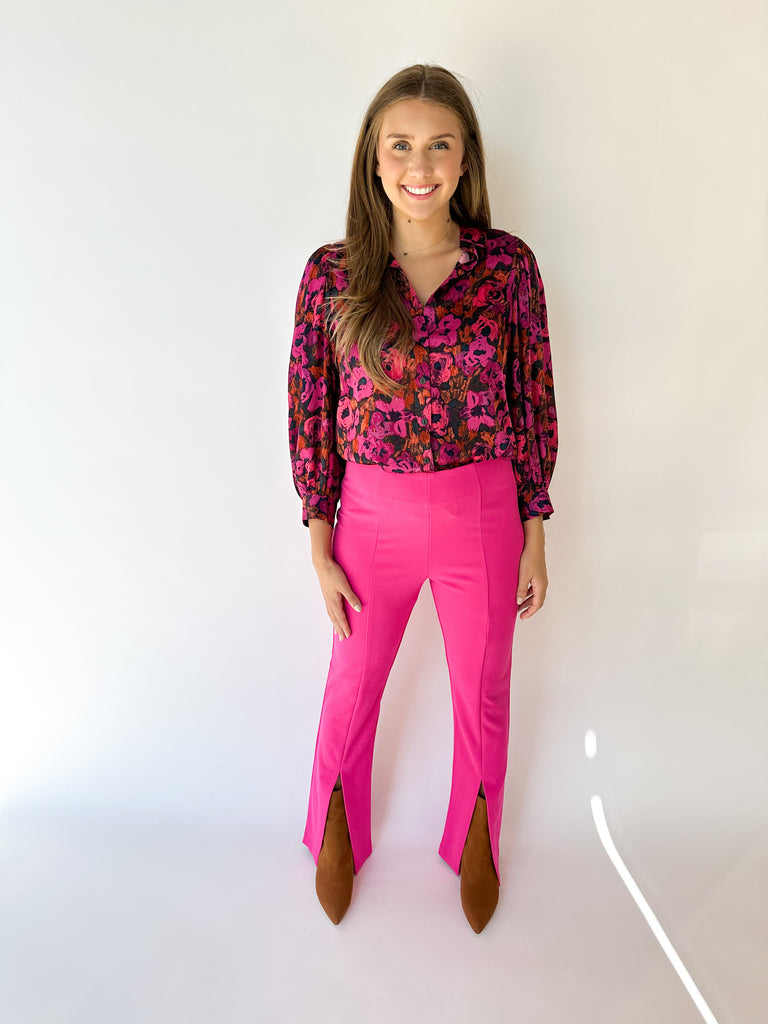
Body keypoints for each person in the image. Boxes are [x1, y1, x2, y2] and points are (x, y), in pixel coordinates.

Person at [288, 63, 558, 932]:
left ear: (464, 157)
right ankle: (334, 827)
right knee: (352, 683)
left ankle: (476, 837)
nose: (420, 163)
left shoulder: (507, 267)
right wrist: (319, 542)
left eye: (439, 145)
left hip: (484, 509)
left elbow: (531, 395)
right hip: (370, 515)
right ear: (374, 159)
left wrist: (536, 527)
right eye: (400, 144)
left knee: (484, 687)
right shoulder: (333, 275)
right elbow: (311, 409)